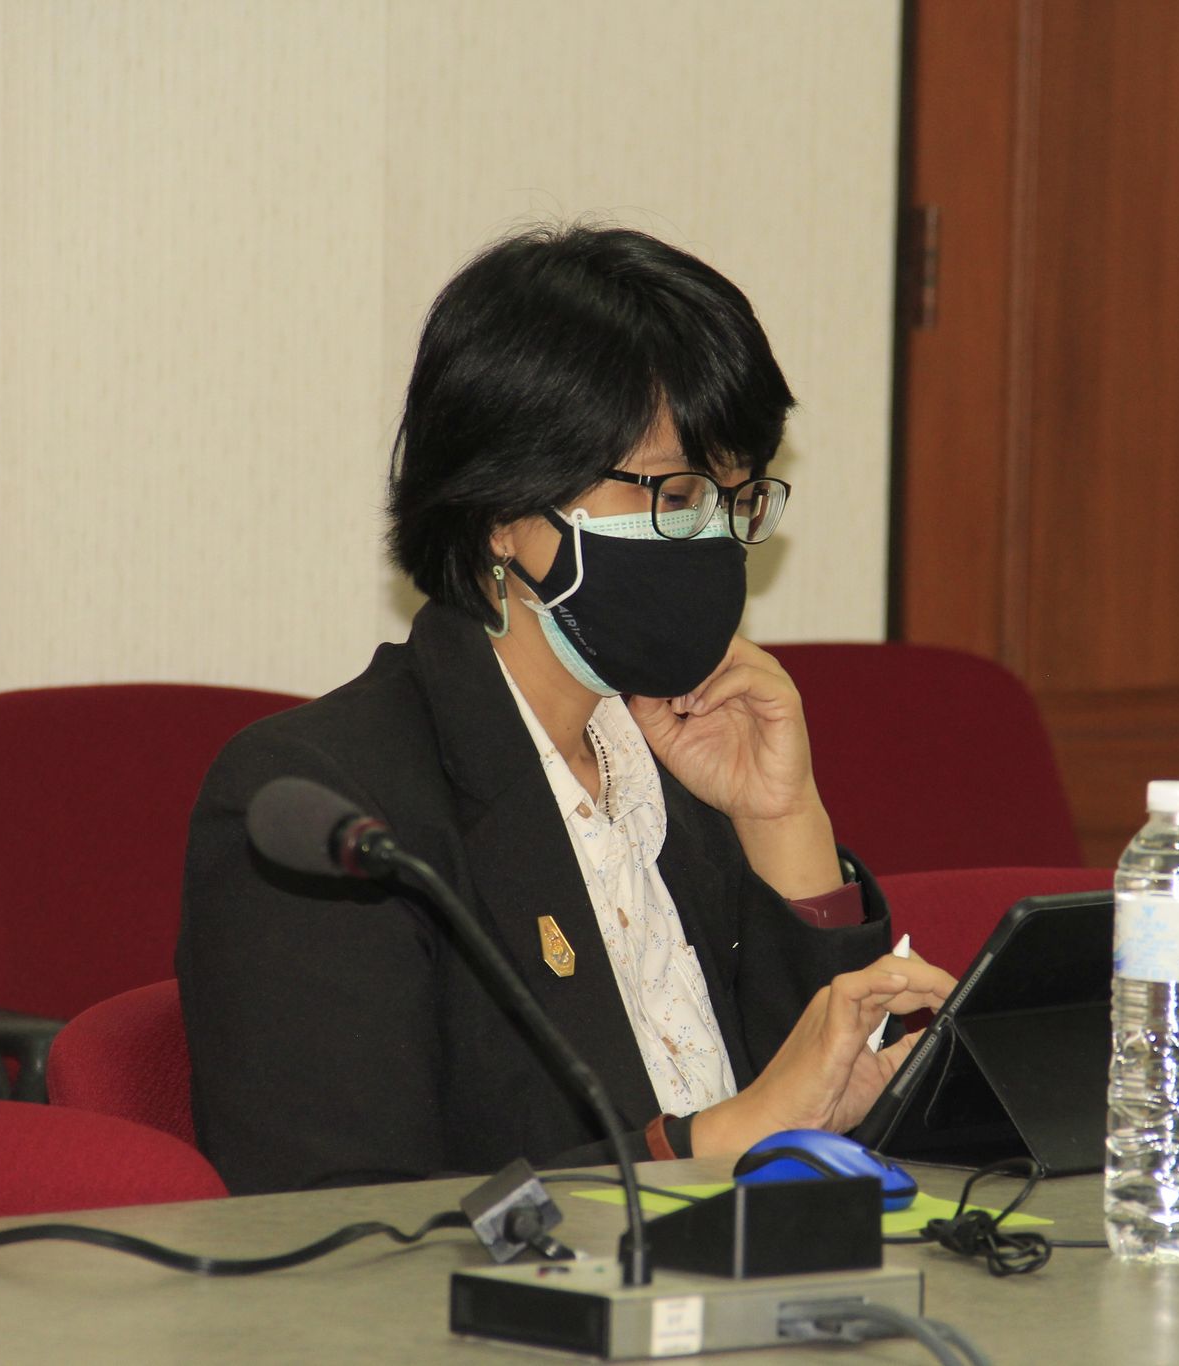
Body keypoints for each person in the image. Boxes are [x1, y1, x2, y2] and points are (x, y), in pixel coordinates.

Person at [177, 223, 955, 1194]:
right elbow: (337, 1216)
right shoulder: (337, 804)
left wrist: (781, 817)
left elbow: (844, 1116)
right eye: (674, 490)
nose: (711, 533)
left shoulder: (684, 766)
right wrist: (722, 1138)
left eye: (732, 494)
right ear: (503, 510)